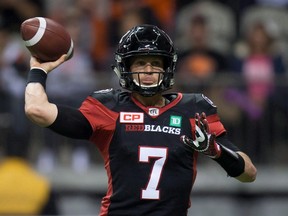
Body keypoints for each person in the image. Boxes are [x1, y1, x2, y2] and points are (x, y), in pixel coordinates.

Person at [24, 24, 257, 216]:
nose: (147, 71)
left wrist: (215, 150)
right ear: (125, 68)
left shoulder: (194, 109)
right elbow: (37, 110)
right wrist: (38, 69)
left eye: (155, 63)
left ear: (167, 69)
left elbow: (248, 173)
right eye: (140, 63)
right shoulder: (109, 107)